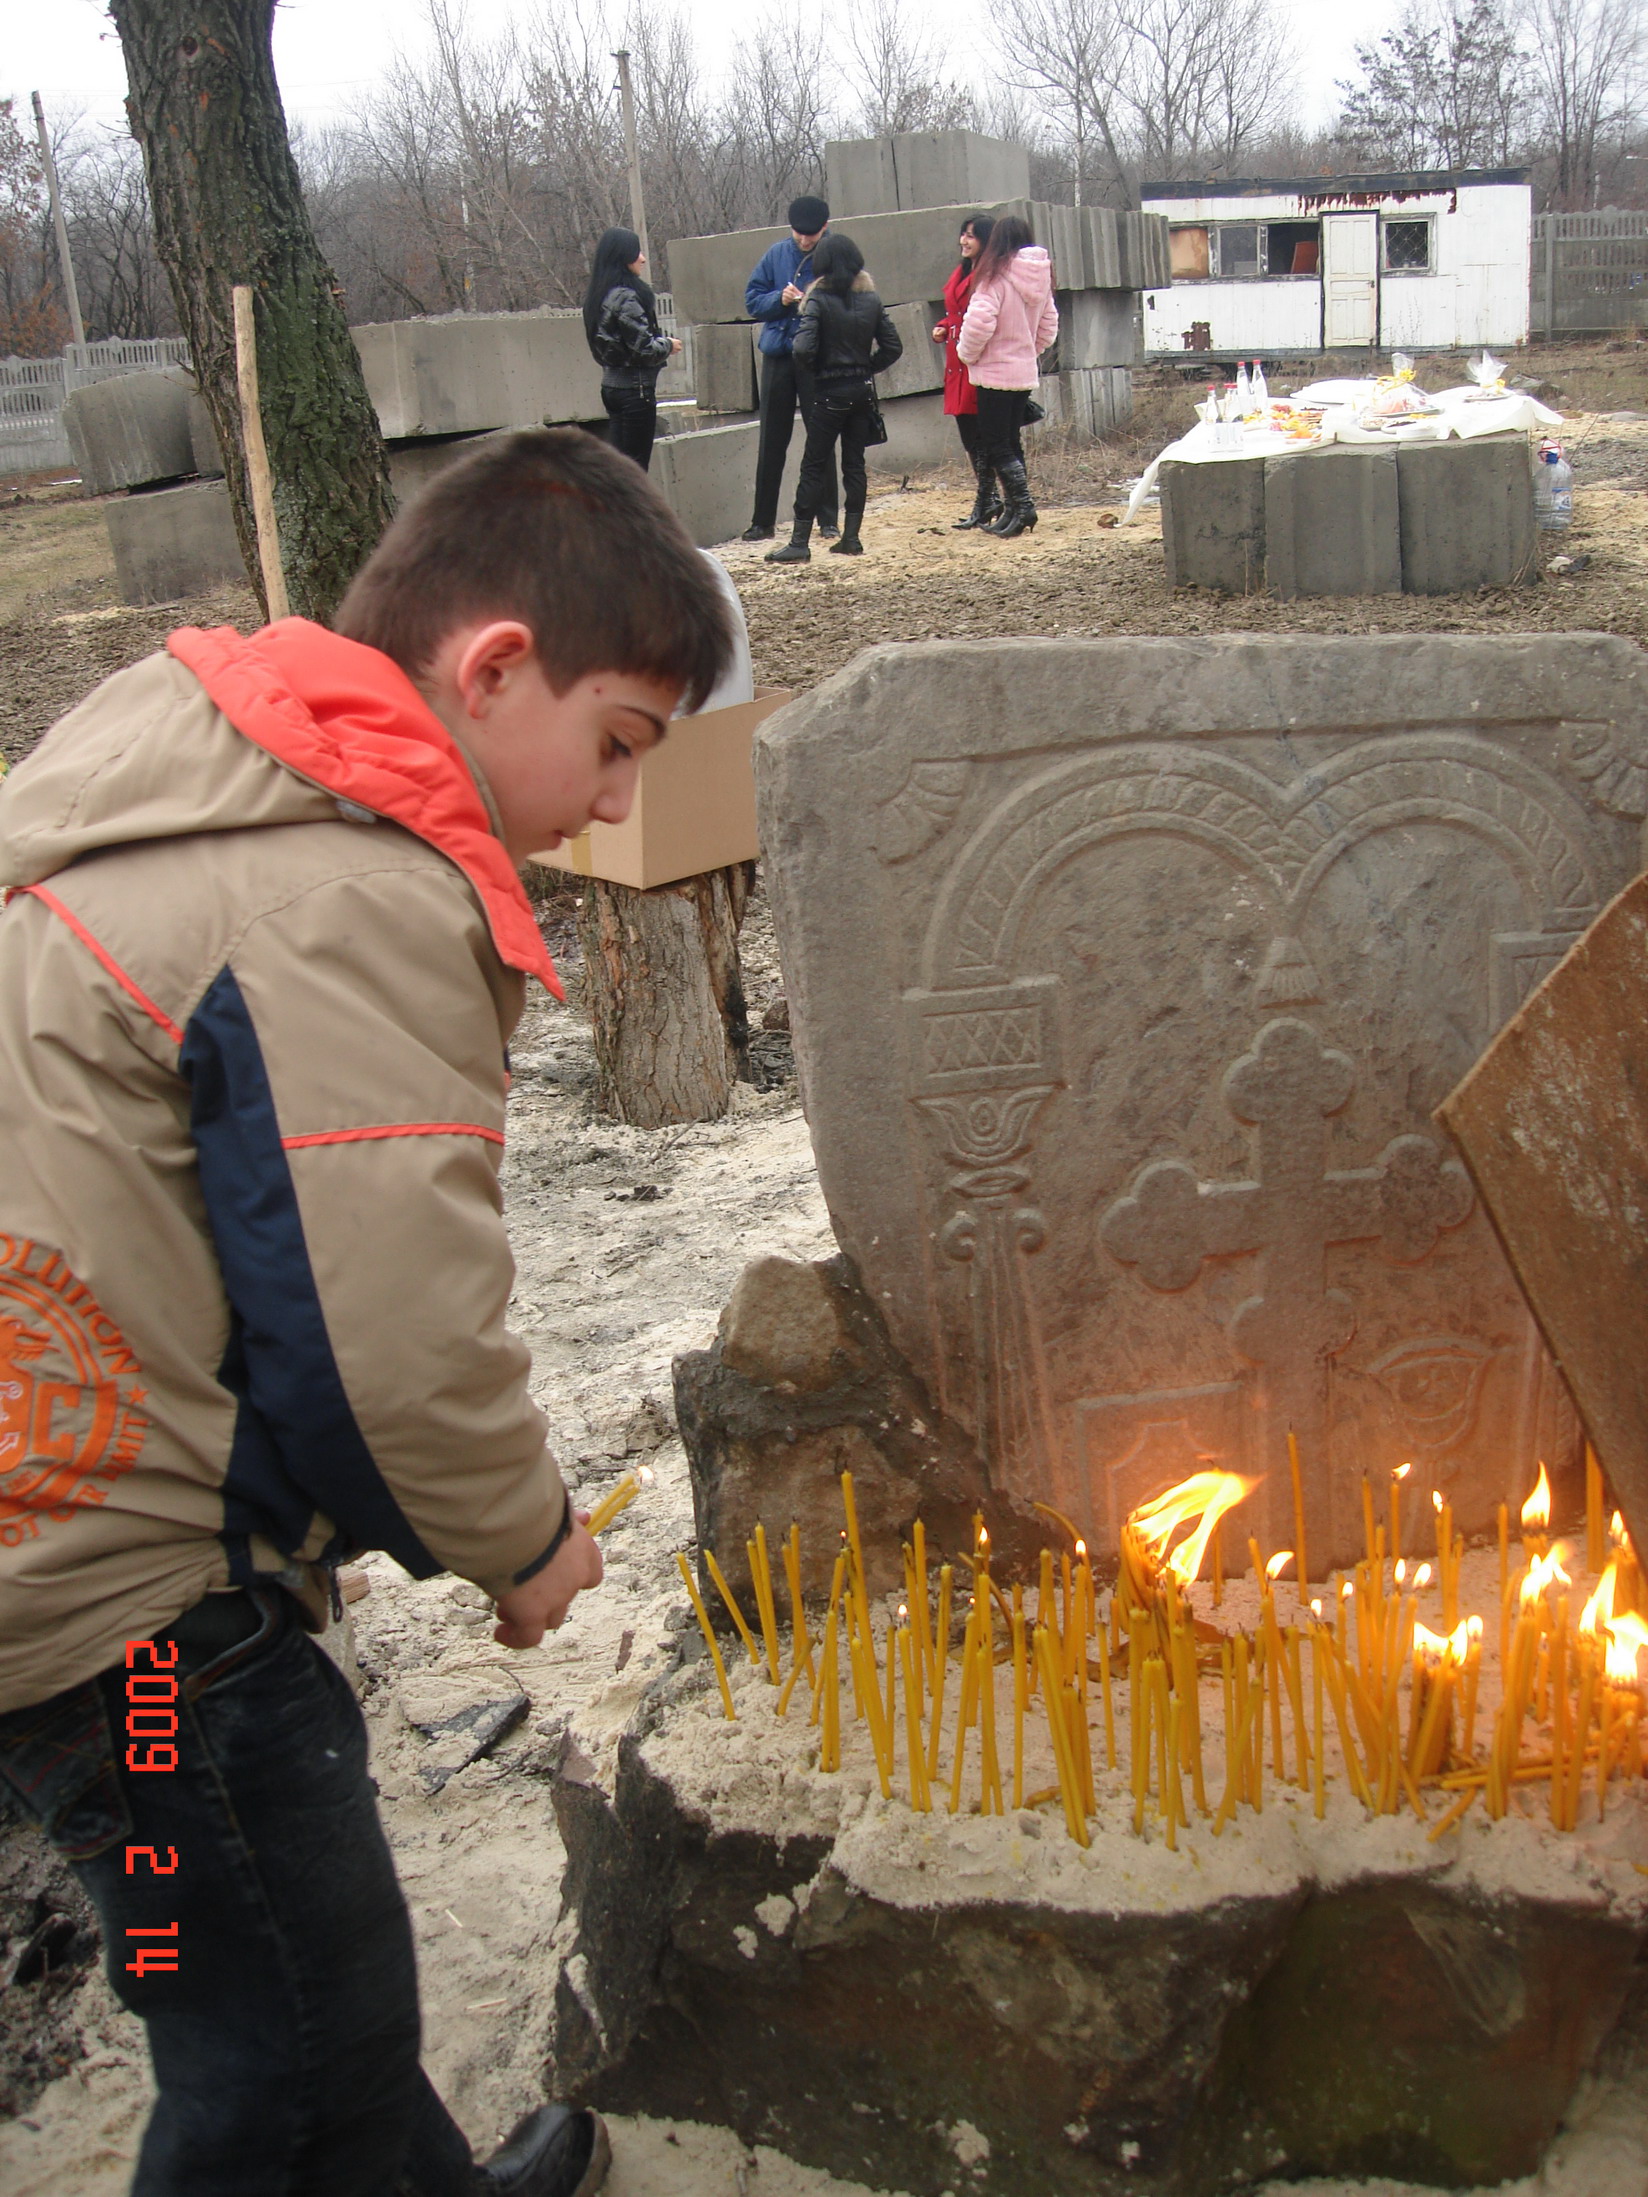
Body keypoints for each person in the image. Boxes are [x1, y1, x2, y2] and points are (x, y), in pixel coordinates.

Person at [0, 428, 734, 2197]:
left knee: (282, 1965)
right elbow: (384, 1338)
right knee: (276, 2049)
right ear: (494, 669)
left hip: (50, 1517)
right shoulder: (353, 891)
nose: (616, 803)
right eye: (618, 742)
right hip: (140, 1622)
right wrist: (523, 1538)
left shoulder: (189, 778)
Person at [765, 234, 902, 566]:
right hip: (861, 391)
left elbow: (802, 349)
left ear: (822, 264)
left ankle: (799, 542)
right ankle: (851, 537)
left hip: (829, 392)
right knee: (854, 464)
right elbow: (893, 347)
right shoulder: (871, 299)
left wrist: (818, 371)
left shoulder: (817, 299)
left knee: (813, 464)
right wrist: (866, 367)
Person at [741, 194, 839, 543]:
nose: (804, 239)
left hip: (816, 358)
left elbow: (848, 301)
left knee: (821, 438)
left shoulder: (836, 255)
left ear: (824, 228)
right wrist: (779, 300)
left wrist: (811, 303)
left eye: (811, 234)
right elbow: (752, 300)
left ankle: (828, 519)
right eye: (798, 233)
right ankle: (762, 521)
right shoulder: (775, 254)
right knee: (771, 438)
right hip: (779, 355)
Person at [956, 214, 1058, 540]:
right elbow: (1049, 326)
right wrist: (1028, 351)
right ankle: (1014, 510)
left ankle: (1024, 507)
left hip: (994, 373)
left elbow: (978, 325)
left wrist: (966, 355)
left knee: (996, 443)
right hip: (1022, 372)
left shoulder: (993, 278)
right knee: (1011, 442)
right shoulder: (1040, 279)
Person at [582, 224, 680, 472]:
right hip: (635, 391)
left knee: (620, 468)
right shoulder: (626, 297)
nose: (643, 259)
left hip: (611, 387)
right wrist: (668, 344)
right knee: (635, 470)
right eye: (636, 252)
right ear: (623, 257)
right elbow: (644, 350)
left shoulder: (598, 295)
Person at [931, 214, 999, 531]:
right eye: (963, 234)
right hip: (957, 362)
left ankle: (988, 500)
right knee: (969, 434)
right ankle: (988, 499)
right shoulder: (964, 269)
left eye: (972, 235)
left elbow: (983, 317)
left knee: (980, 435)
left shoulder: (990, 274)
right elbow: (955, 313)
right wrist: (944, 326)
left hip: (976, 360)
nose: (964, 240)